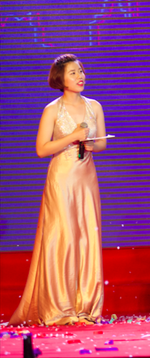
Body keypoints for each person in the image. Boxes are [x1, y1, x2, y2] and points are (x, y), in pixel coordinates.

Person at [10, 54, 108, 325]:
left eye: (81, 71)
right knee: (63, 237)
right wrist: (71, 137)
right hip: (62, 178)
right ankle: (60, 308)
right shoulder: (52, 109)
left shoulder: (95, 106)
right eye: (73, 72)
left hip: (86, 178)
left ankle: (85, 307)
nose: (80, 76)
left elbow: (102, 143)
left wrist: (91, 145)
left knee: (87, 236)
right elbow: (42, 149)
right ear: (60, 79)